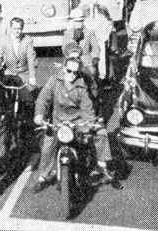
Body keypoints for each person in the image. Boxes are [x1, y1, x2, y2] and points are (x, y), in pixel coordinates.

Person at [32, 57, 114, 193]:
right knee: (47, 145)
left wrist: (89, 125)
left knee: (100, 132)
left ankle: (102, 164)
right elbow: (43, 98)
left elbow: (87, 108)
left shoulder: (81, 86)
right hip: (58, 122)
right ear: (64, 68)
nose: (71, 75)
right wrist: (39, 115)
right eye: (69, 71)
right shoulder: (54, 80)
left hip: (77, 122)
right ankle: (42, 177)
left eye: (75, 72)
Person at [0, 17, 38, 115]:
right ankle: (3, 112)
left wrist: (32, 77)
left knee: (28, 99)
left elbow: (30, 58)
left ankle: (26, 119)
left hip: (23, 73)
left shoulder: (28, 40)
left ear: (22, 29)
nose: (17, 31)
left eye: (19, 29)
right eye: (15, 28)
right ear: (11, 28)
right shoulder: (4, 39)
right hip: (9, 72)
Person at [62, 8, 100, 81]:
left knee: (90, 74)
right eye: (76, 21)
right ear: (72, 21)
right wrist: (70, 54)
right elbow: (64, 48)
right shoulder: (68, 33)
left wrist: (93, 61)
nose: (79, 23)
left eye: (80, 21)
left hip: (85, 60)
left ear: (83, 21)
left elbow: (96, 48)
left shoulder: (89, 32)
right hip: (71, 60)